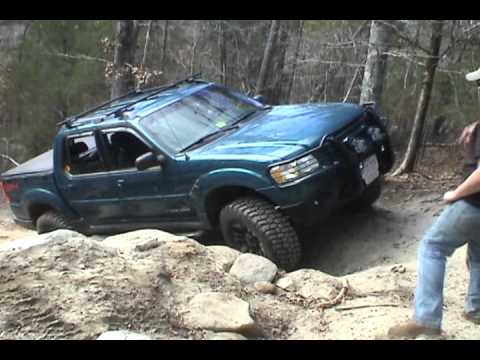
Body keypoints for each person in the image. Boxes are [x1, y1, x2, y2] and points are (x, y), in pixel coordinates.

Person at [387, 68, 480, 338]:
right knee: (478, 252)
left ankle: (427, 318)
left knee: (433, 247)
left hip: (474, 204)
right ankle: (475, 307)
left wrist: (456, 194)